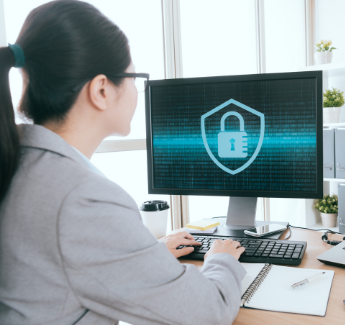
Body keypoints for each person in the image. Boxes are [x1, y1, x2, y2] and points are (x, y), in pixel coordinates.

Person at [0, 1, 246, 324]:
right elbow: (209, 313)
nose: (136, 90)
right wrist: (221, 259)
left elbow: (70, 262)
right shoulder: (82, 199)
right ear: (101, 89)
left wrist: (151, 253)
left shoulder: (20, 164)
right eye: (134, 77)